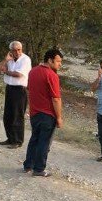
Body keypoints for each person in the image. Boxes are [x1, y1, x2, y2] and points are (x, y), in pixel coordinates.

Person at [23, 48, 63, 177]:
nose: (59, 64)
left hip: (34, 112)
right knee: (44, 142)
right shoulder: (52, 75)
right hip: (47, 114)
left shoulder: (33, 71)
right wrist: (59, 117)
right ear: (50, 60)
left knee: (34, 139)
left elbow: (30, 89)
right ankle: (39, 169)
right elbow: (56, 98)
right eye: (58, 61)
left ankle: (28, 165)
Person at [0, 41, 32, 148]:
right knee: (8, 115)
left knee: (17, 116)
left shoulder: (25, 59)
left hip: (20, 90)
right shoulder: (9, 59)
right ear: (10, 50)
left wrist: (5, 72)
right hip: (10, 88)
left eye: (19, 49)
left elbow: (18, 74)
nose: (17, 52)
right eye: (14, 50)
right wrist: (5, 60)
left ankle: (17, 140)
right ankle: (10, 138)